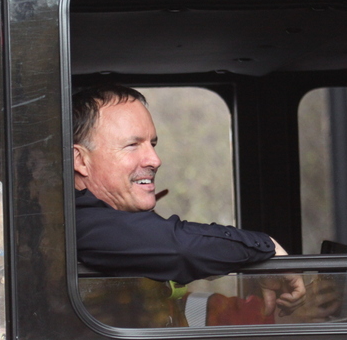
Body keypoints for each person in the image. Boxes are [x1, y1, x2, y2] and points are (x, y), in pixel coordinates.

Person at [73, 83, 305, 321]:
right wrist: (266, 246)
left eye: (152, 144)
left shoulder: (118, 227)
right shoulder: (74, 221)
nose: (155, 160)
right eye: (132, 145)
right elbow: (181, 248)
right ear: (79, 160)